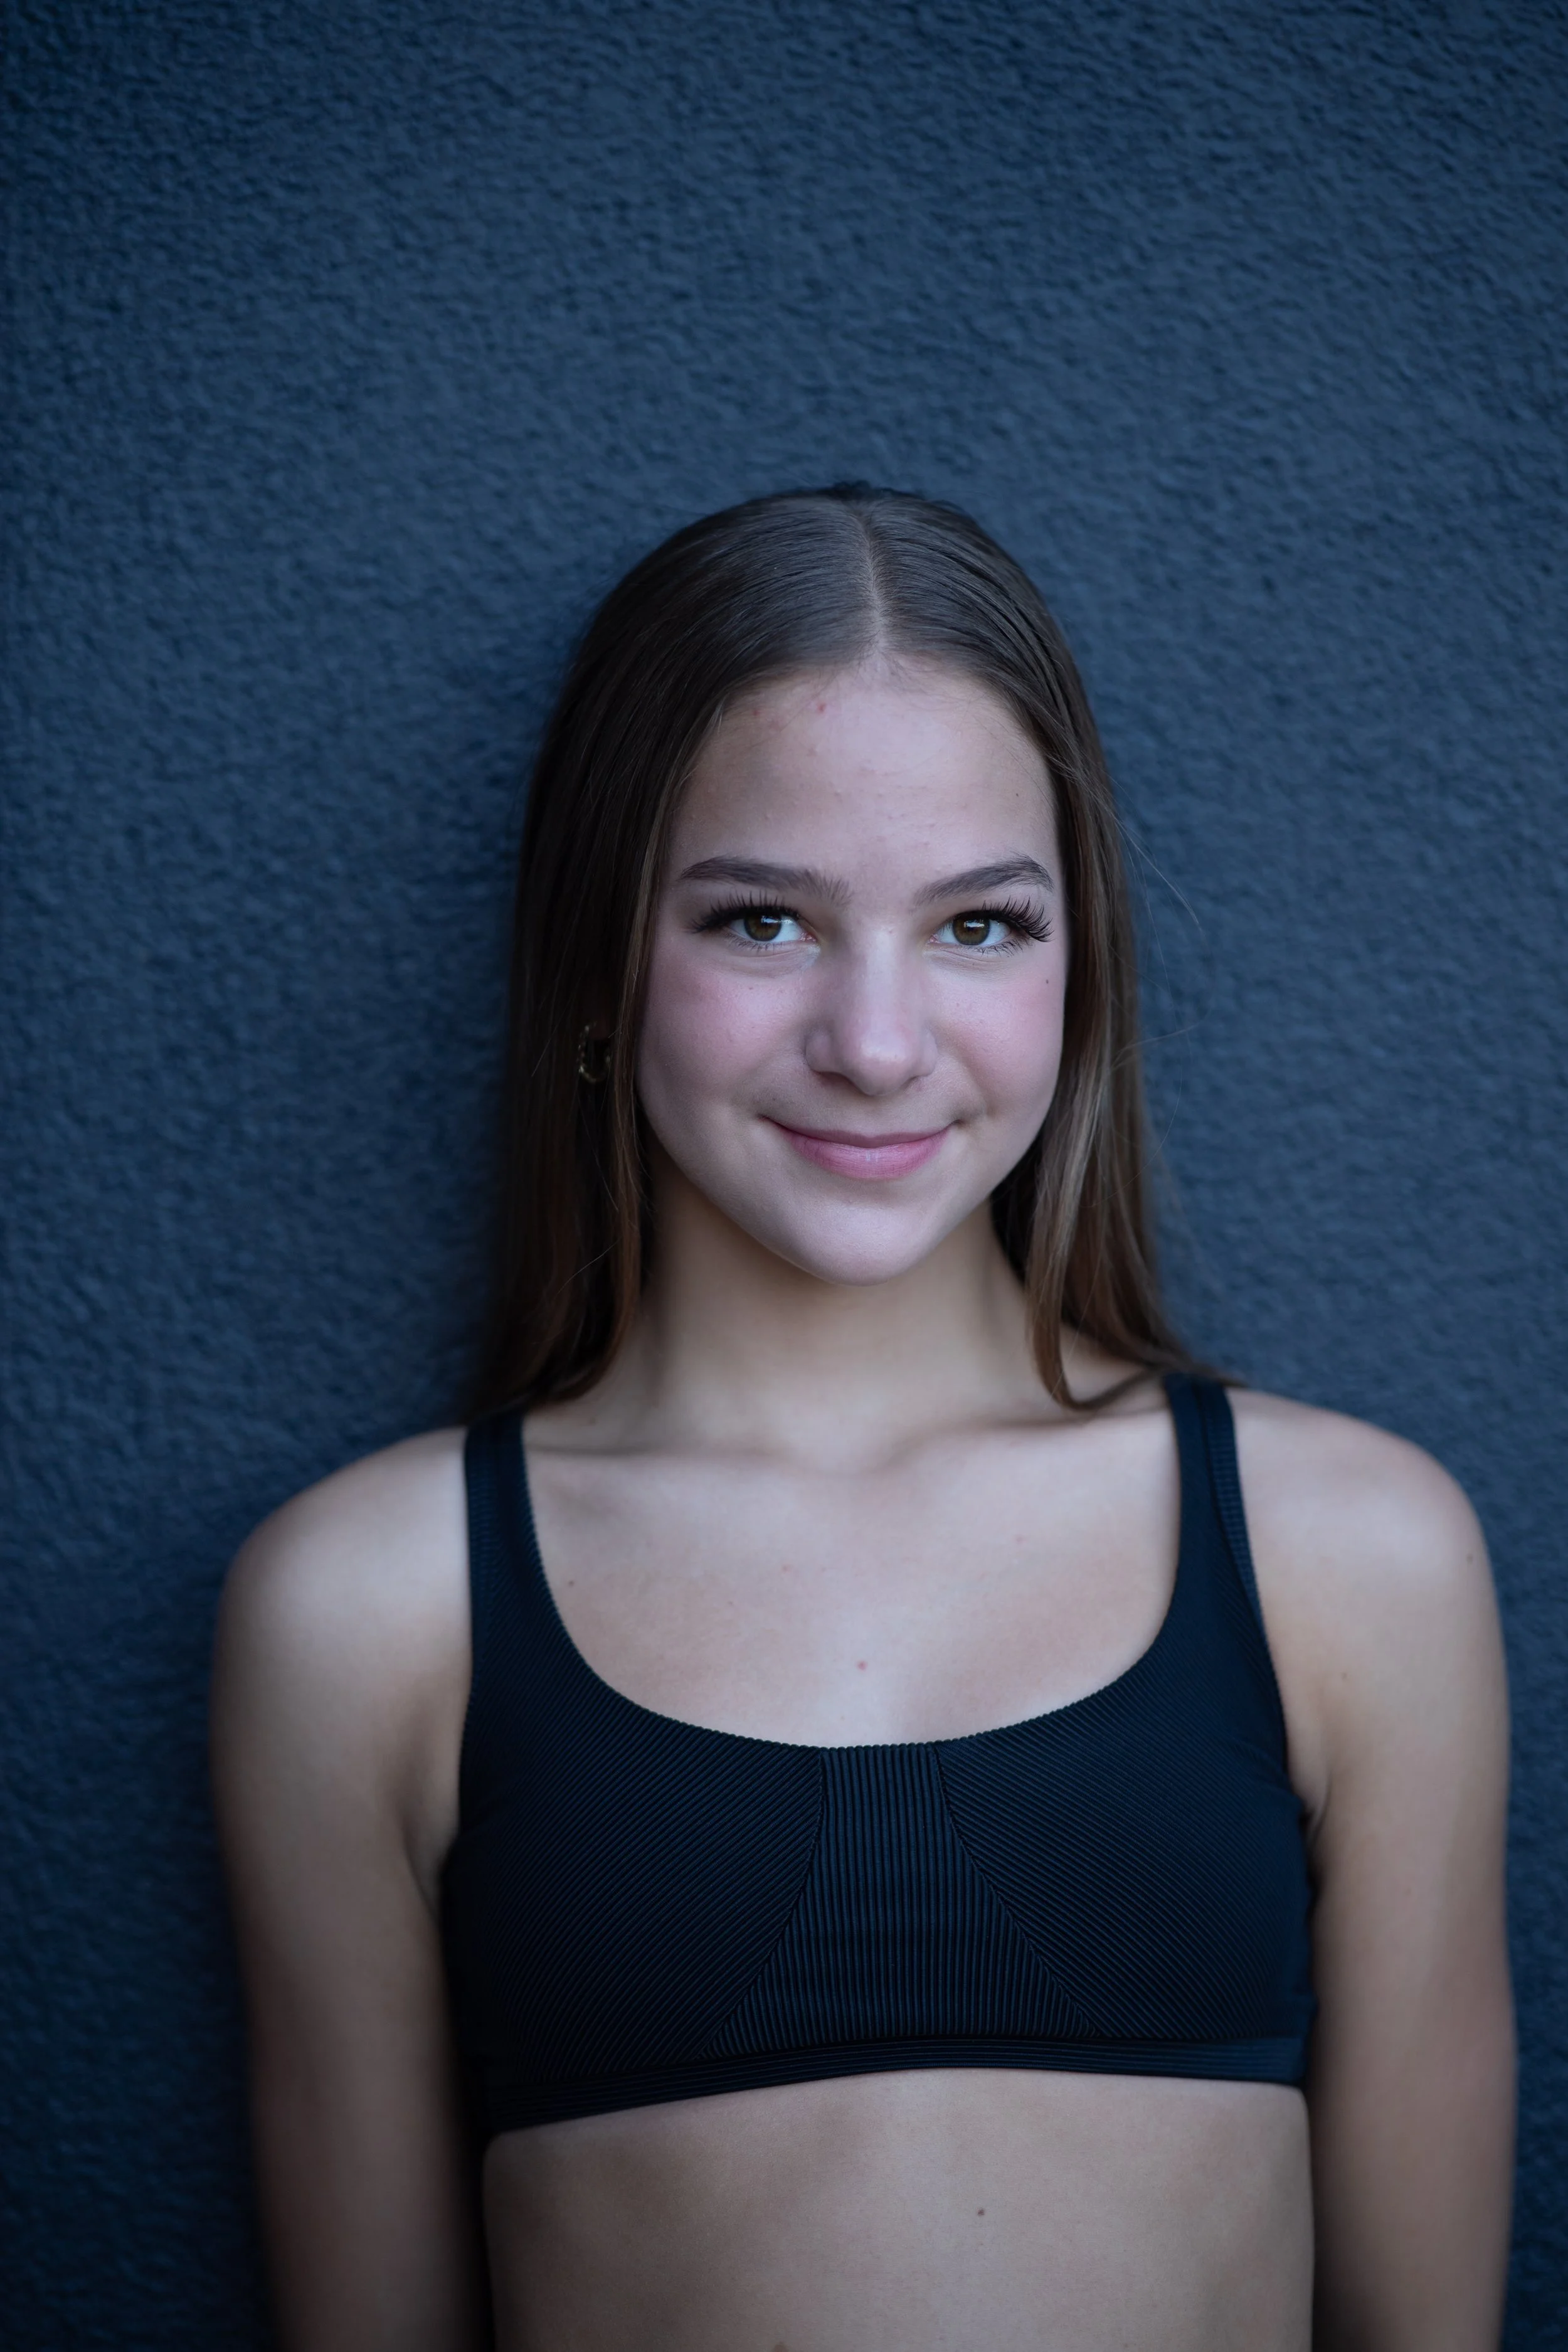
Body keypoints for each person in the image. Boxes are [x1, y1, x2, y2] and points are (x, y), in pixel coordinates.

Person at [211, 485, 1513, 2352]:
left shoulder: (1351, 1555)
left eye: (979, 926)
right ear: (595, 961)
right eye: (760, 919)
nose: (879, 1040)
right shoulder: (366, 1609)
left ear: (1080, 971)